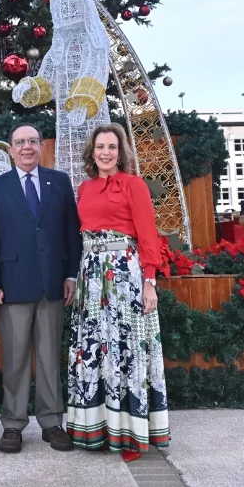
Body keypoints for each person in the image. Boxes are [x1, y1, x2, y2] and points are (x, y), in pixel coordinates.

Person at [67, 123, 169, 462]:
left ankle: (131, 434)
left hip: (124, 275)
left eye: (112, 147)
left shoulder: (133, 185)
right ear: (92, 152)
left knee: (126, 349)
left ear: (120, 152)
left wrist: (150, 281)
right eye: (100, 147)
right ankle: (96, 428)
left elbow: (148, 234)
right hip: (91, 275)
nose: (105, 153)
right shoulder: (84, 188)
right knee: (95, 348)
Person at [0, 123, 81, 454]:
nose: (26, 147)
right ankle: (13, 424)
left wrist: (71, 275)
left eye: (32, 141)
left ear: (41, 147)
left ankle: (52, 422)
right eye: (20, 142)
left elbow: (71, 233)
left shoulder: (60, 182)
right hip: (12, 286)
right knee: (16, 358)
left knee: (50, 357)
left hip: (53, 284)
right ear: (10, 149)